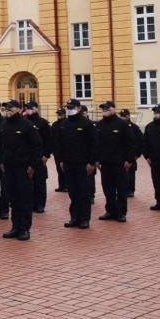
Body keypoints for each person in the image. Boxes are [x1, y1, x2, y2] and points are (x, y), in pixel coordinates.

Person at [0, 100, 43, 241]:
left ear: (18, 109)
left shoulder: (27, 125)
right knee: (13, 198)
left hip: (23, 167)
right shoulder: (4, 125)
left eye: (10, 108)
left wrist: (33, 165)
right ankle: (15, 226)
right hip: (9, 167)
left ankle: (24, 228)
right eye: (6, 108)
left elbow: (37, 146)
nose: (7, 110)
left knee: (24, 198)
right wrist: (2, 161)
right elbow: (1, 146)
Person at [54, 98, 99, 229]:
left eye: (72, 107)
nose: (69, 110)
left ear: (79, 108)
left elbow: (94, 144)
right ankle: (74, 217)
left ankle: (84, 219)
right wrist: (61, 160)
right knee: (73, 192)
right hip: (68, 163)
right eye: (68, 107)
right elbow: (59, 144)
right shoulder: (63, 124)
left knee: (83, 192)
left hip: (83, 163)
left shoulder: (87, 124)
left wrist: (92, 162)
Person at [95, 101, 136, 222]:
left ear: (113, 109)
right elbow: (96, 144)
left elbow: (131, 143)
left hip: (120, 163)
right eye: (103, 109)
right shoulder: (99, 125)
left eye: (107, 108)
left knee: (121, 189)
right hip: (105, 163)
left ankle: (121, 212)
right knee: (108, 188)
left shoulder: (122, 124)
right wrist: (96, 159)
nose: (105, 110)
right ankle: (110, 210)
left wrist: (129, 160)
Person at [24, 101, 52, 213]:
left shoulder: (43, 123)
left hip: (40, 156)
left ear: (36, 108)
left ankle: (40, 204)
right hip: (27, 157)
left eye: (30, 108)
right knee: (28, 181)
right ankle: (31, 203)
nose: (28, 109)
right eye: (27, 108)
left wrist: (46, 154)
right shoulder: (24, 122)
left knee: (39, 181)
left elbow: (49, 140)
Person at [142, 104, 160, 212]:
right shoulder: (149, 126)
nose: (156, 113)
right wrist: (147, 157)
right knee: (157, 181)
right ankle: (159, 201)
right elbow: (145, 143)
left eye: (158, 111)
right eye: (154, 111)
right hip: (154, 159)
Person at [119, 109, 143, 197]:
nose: (122, 117)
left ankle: (130, 190)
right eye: (121, 116)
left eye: (124, 116)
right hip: (121, 156)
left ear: (128, 116)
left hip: (131, 155)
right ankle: (122, 189)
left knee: (131, 174)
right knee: (121, 174)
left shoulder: (134, 127)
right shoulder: (119, 126)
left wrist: (137, 155)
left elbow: (140, 142)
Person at [51, 108, 68, 192]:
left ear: (64, 115)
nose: (59, 116)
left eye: (60, 114)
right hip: (57, 151)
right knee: (59, 168)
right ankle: (61, 185)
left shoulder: (67, 123)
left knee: (65, 168)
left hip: (65, 150)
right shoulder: (54, 124)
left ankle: (67, 185)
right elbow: (51, 137)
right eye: (58, 114)